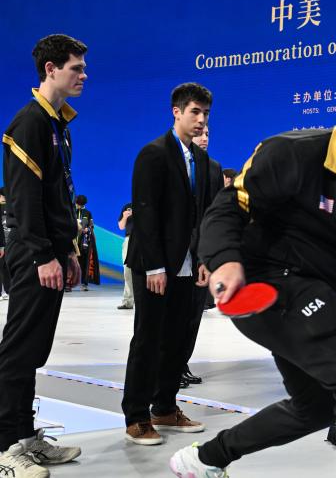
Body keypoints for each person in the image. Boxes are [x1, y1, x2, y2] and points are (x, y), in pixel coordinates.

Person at [170, 77, 336, 478]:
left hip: (327, 291)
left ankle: (206, 458)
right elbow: (228, 207)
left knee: (317, 406)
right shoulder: (292, 152)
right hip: (273, 287)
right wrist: (225, 260)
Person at [0, 34, 88, 477]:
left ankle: (25, 436)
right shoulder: (29, 123)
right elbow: (24, 199)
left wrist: (68, 251)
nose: (84, 75)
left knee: (33, 350)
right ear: (51, 69)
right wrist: (40, 256)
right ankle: (5, 447)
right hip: (30, 255)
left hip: (50, 252)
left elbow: (58, 196)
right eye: (76, 68)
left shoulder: (57, 124)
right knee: (18, 351)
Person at [122, 83, 213, 445]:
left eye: (205, 113)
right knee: (148, 339)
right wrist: (155, 266)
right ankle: (136, 417)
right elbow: (145, 213)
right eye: (195, 112)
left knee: (178, 339)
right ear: (176, 112)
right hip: (154, 266)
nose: (201, 119)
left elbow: (202, 216)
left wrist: (203, 258)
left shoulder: (202, 161)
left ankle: (164, 407)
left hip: (188, 264)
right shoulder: (154, 154)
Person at [180, 125, 223, 388]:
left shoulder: (214, 168)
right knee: (174, 315)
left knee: (194, 314)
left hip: (199, 254)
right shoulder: (171, 162)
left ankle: (181, 363)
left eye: (208, 133)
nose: (204, 137)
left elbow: (215, 213)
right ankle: (168, 367)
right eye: (199, 134)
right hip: (175, 253)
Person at [74, 195, 99, 291]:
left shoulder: (88, 213)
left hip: (83, 242)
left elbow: (91, 226)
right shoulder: (71, 211)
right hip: (72, 241)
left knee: (84, 262)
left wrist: (87, 229)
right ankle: (68, 284)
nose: (78, 206)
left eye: (80, 204)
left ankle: (84, 283)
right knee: (70, 262)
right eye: (78, 204)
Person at [116, 204, 134, 309]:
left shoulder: (149, 205)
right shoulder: (127, 206)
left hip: (145, 239)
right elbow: (121, 226)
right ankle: (128, 301)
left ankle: (147, 302)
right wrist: (125, 217)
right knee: (127, 271)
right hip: (129, 239)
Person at [0, 189, 11, 301]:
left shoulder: (10, 206)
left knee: (7, 267)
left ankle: (8, 290)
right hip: (3, 242)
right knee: (2, 267)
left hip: (9, 242)